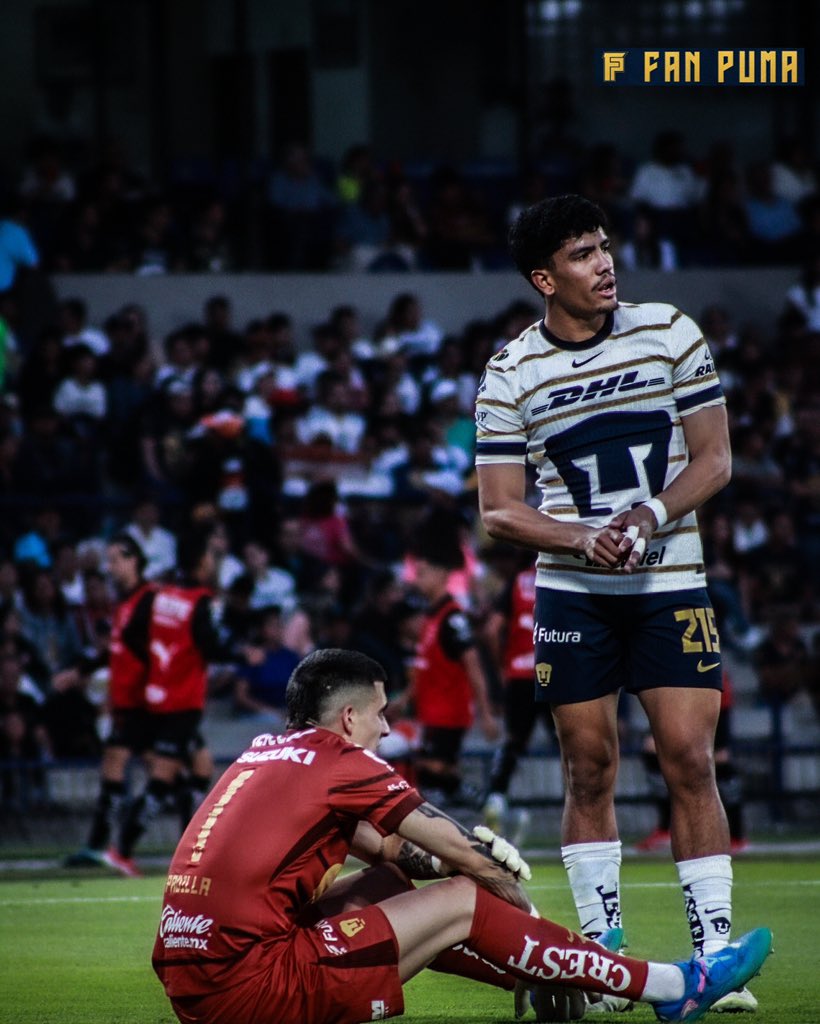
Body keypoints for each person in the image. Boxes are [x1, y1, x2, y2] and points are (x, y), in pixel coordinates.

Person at [151, 647, 772, 1024]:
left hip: (198, 989)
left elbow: (395, 854)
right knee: (470, 897)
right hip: (253, 990)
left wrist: (455, 869)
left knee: (392, 887)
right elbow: (455, 858)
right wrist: (507, 890)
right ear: (348, 718)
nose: (388, 729)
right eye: (380, 712)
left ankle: (537, 973)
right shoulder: (344, 760)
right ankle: (672, 986)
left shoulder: (266, 753)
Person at [475, 194, 756, 1013]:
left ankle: (717, 958)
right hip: (575, 595)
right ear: (542, 277)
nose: (603, 264)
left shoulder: (670, 330)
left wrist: (648, 514)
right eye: (580, 255)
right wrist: (576, 537)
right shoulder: (510, 371)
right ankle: (603, 961)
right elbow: (498, 508)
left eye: (604, 247)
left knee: (689, 759)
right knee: (588, 767)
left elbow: (715, 459)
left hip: (672, 582)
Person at [103, 529, 225, 876]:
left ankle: (191, 850)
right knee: (164, 777)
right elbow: (209, 646)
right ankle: (124, 848)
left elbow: (130, 634)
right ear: (203, 560)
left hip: (159, 696)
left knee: (200, 768)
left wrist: (157, 660)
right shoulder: (201, 600)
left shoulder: (163, 594)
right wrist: (243, 651)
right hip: (182, 702)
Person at [65, 533, 155, 866]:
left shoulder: (148, 601)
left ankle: (110, 845)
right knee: (125, 767)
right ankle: (105, 846)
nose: (109, 566)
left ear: (134, 560)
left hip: (144, 703)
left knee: (162, 772)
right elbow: (117, 652)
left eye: (115, 559)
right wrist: (81, 670)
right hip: (128, 702)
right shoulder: (126, 601)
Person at [400, 542, 499, 806]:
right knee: (438, 777)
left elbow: (474, 666)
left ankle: (485, 805)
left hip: (448, 713)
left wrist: (486, 712)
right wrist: (404, 700)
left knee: (427, 774)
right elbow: (424, 669)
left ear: (442, 575)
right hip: (430, 712)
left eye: (422, 573)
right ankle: (486, 805)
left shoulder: (452, 618)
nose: (417, 580)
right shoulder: (430, 619)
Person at [481, 548, 554, 843]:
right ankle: (587, 805)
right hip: (555, 670)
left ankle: (496, 796)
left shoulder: (517, 582)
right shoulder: (558, 577)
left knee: (513, 741)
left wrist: (503, 665)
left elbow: (491, 629)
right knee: (570, 741)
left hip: (518, 674)